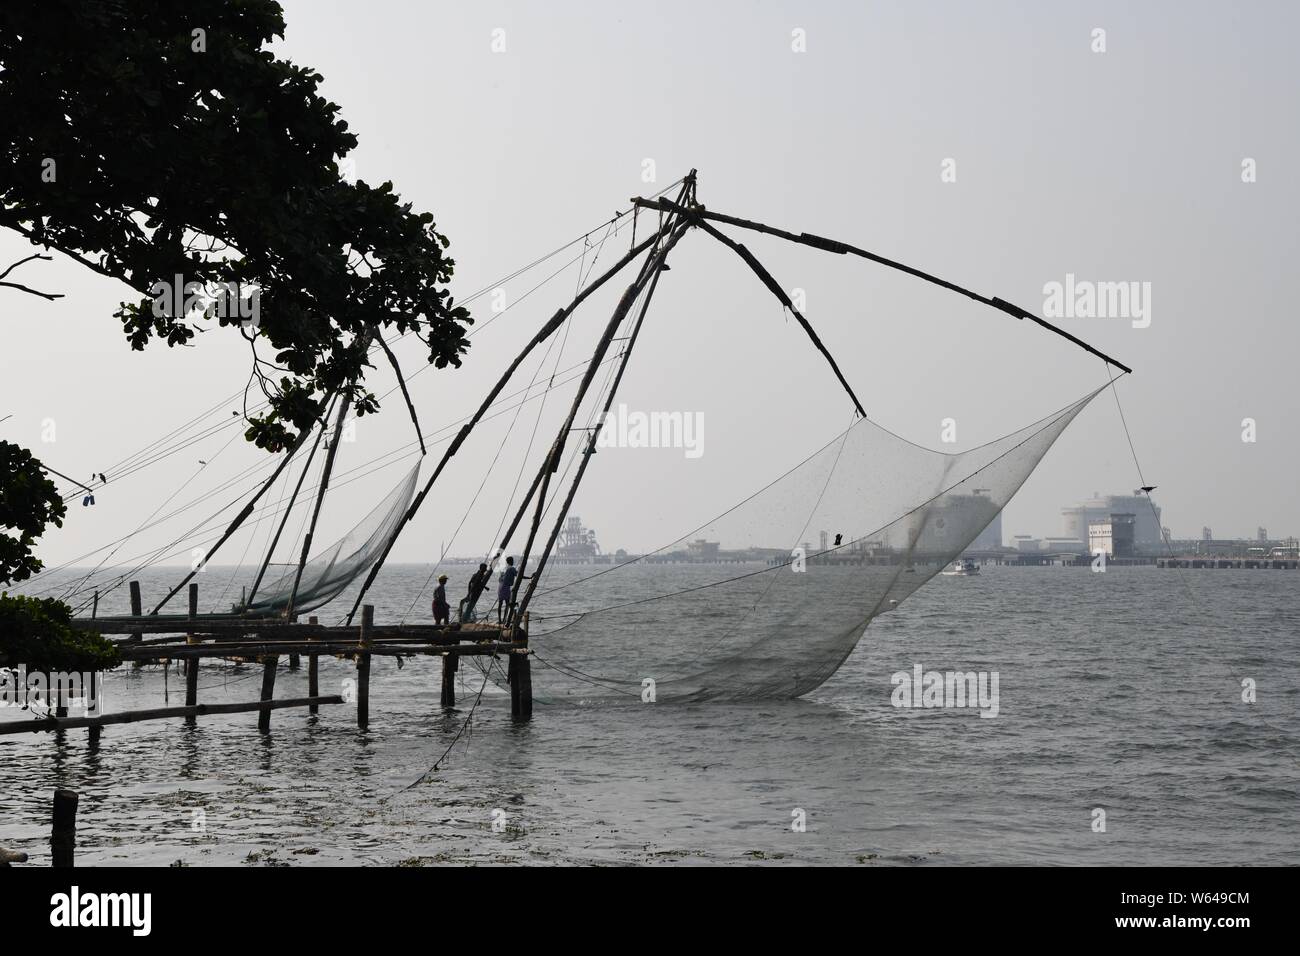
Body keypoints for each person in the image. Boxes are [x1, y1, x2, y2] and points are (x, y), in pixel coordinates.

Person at [496, 556, 518, 623]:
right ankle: (504, 620)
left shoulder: (503, 568)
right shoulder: (512, 568)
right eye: (512, 561)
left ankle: (500, 620)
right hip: (506, 587)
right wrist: (529, 577)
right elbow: (519, 575)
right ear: (511, 561)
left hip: (500, 587)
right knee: (507, 604)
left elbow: (499, 579)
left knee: (500, 604)